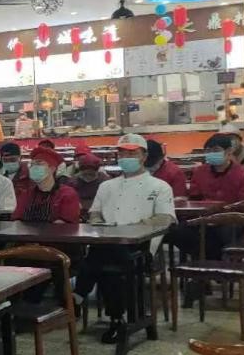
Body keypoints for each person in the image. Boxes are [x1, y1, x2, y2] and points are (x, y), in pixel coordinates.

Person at [75, 133, 175, 343]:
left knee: (97, 260)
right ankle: (116, 319)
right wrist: (99, 223)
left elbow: (165, 219)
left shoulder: (159, 187)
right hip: (108, 242)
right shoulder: (107, 186)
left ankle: (77, 296)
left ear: (144, 156)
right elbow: (95, 213)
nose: (126, 157)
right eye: (122, 153)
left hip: (141, 246)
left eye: (132, 153)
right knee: (104, 261)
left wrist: (133, 229)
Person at [12, 145, 81, 223]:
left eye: (39, 164)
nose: (34, 167)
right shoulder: (26, 194)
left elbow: (64, 224)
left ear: (52, 169)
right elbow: (17, 219)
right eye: (32, 165)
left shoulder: (67, 194)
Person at [187, 133, 244, 203]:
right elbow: (194, 199)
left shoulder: (243, 175)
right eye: (208, 151)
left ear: (229, 151)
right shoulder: (199, 172)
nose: (212, 153)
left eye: (216, 150)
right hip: (205, 209)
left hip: (233, 209)